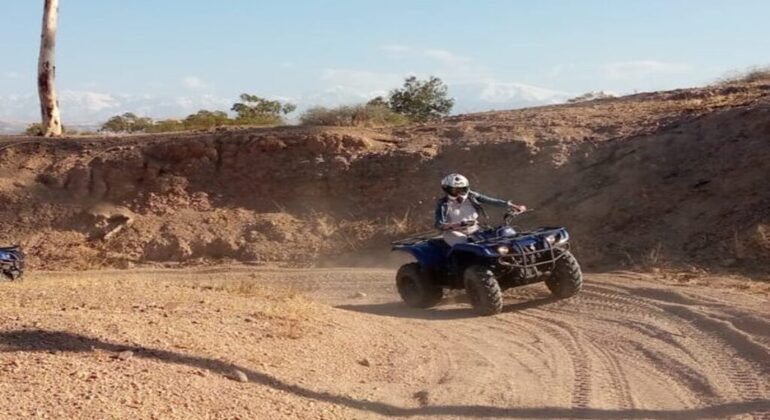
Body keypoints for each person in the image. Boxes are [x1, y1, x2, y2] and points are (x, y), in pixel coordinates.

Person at [435, 173, 526, 246]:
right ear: (447, 189)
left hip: (475, 229)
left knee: (498, 238)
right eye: (455, 190)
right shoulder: (443, 204)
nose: (459, 193)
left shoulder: (472, 196)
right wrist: (457, 224)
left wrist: (513, 206)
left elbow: (492, 201)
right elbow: (440, 225)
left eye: (462, 189)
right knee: (466, 246)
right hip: (454, 232)